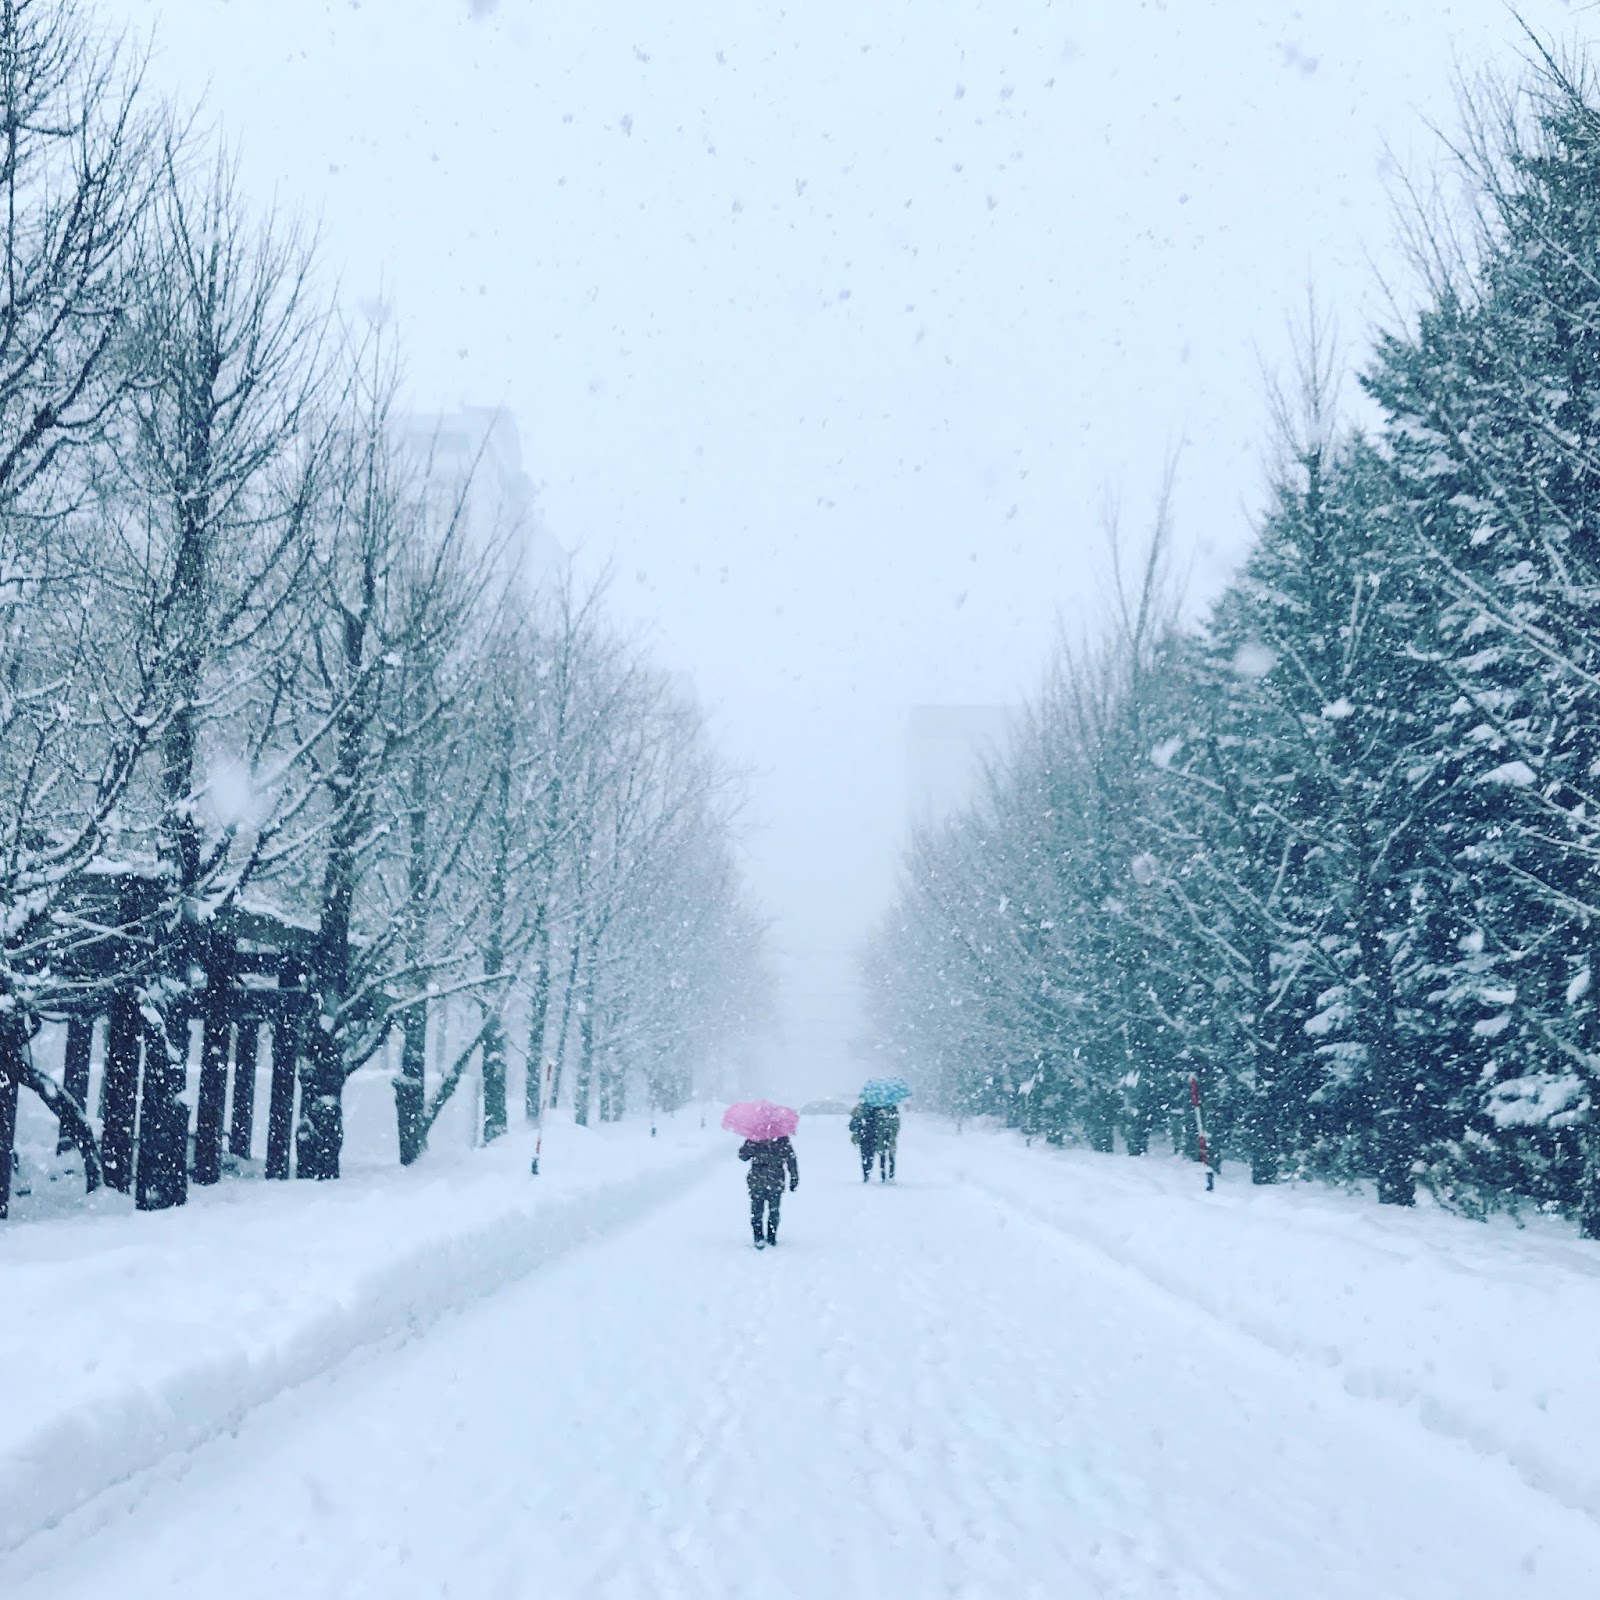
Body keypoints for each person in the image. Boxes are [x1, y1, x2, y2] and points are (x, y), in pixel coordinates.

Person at [739, 1134, 798, 1249]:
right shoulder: (781, 1139)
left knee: (759, 1211)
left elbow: (742, 1155)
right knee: (771, 1211)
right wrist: (794, 1177)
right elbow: (791, 1159)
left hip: (759, 1180)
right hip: (773, 1180)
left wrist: (751, 1144)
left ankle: (760, 1237)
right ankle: (769, 1236)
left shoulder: (756, 1137)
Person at [849, 1101, 881, 1183]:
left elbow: (852, 1127)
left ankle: (866, 1173)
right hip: (872, 1136)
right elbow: (878, 1124)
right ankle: (867, 1171)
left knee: (865, 1156)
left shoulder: (859, 1111)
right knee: (870, 1156)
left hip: (863, 1136)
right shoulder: (876, 1110)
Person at [877, 1103, 900, 1182]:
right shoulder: (880, 1113)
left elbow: (896, 1126)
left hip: (890, 1138)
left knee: (891, 1157)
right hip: (882, 1138)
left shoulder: (894, 1113)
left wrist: (890, 1129)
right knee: (883, 1157)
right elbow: (877, 1125)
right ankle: (883, 1175)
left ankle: (891, 1175)